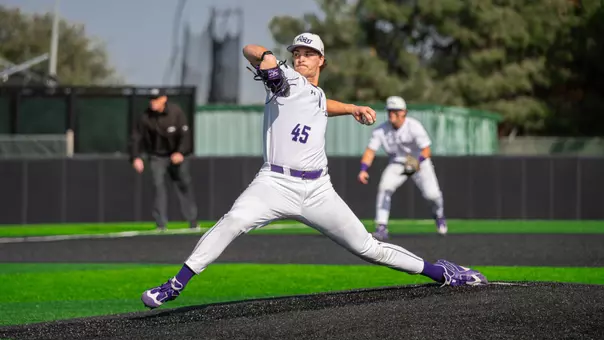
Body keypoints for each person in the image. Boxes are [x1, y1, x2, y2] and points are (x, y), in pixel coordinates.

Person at [141, 33, 487, 309]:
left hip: (318, 189)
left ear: (321, 60)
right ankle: (175, 284)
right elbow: (251, 49)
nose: (301, 57)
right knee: (233, 221)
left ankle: (442, 272)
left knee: (369, 248)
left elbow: (321, 103)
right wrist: (266, 60)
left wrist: (351, 108)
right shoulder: (285, 79)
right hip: (274, 182)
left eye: (309, 52)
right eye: (297, 52)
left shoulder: (317, 94)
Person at [358, 96, 447, 240]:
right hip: (397, 163)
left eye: (396, 111)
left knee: (432, 195)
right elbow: (370, 151)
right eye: (390, 111)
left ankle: (439, 215)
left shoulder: (414, 126)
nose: (392, 114)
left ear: (404, 112)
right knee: (384, 188)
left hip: (419, 162)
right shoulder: (381, 130)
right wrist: (363, 169)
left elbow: (426, 150)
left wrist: (415, 163)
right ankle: (381, 226)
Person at [129, 88, 199, 231]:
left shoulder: (176, 112)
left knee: (184, 184)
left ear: (164, 99)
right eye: (151, 99)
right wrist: (135, 157)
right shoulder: (145, 117)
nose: (153, 103)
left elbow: (185, 135)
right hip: (157, 156)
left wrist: (180, 152)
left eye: (156, 99)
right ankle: (160, 224)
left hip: (177, 155)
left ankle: (192, 221)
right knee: (157, 186)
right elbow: (136, 138)